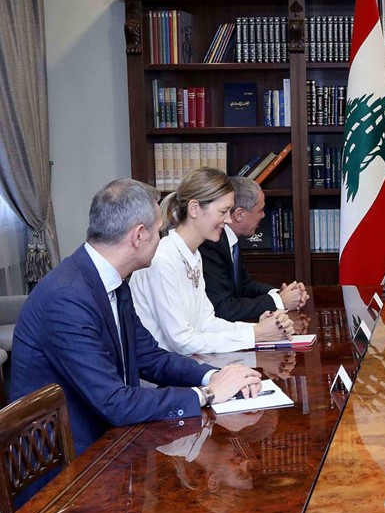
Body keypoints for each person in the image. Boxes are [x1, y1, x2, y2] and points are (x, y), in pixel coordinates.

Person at [9, 179, 263, 462]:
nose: (162, 238)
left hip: (109, 441)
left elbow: (150, 357)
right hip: (66, 462)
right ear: (139, 235)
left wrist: (213, 376)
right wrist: (207, 394)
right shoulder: (67, 298)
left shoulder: (112, 281)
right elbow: (114, 402)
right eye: (159, 231)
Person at [131, 168, 292, 354]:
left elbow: (207, 323)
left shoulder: (194, 255)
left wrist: (261, 328)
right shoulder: (162, 260)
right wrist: (256, 333)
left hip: (189, 361)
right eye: (223, 211)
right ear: (194, 209)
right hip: (163, 368)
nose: (228, 220)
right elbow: (182, 341)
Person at [199, 176, 308, 321]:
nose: (263, 215)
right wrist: (280, 301)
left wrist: (278, 293)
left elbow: (244, 285)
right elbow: (223, 308)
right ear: (239, 214)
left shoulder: (230, 240)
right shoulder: (210, 244)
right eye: (260, 210)